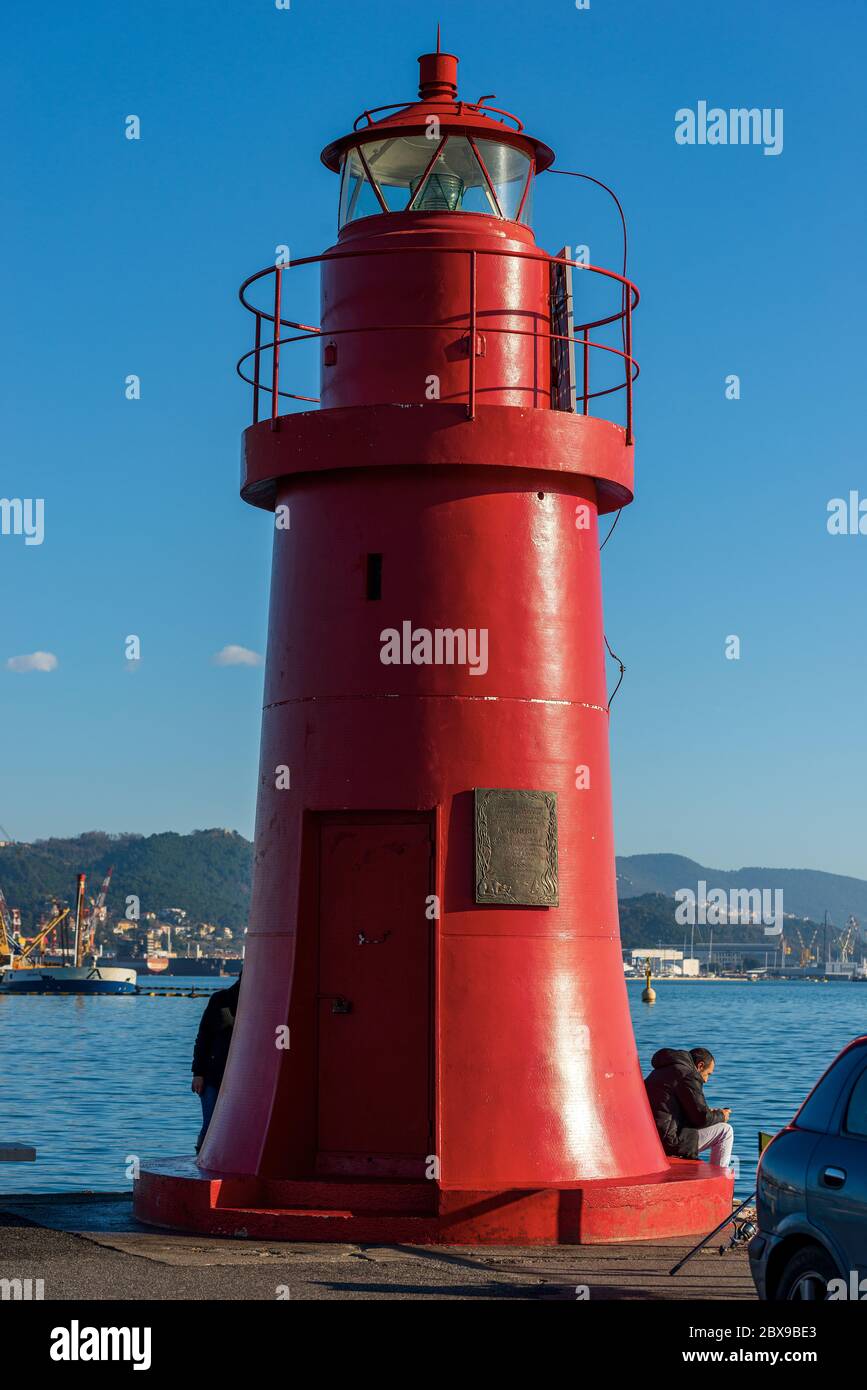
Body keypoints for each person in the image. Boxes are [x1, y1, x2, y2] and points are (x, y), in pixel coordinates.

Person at [644, 1046, 734, 1169]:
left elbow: (671, 1109)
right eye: (708, 1074)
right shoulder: (688, 1075)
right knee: (725, 1131)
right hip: (669, 1141)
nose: (706, 1080)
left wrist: (709, 1113)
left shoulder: (661, 1070)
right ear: (700, 1066)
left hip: (649, 1135)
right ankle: (719, 1175)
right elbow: (701, 1119)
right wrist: (721, 1115)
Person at [191, 975, 241, 1153]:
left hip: (241, 1078)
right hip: (212, 1074)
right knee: (211, 1123)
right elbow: (203, 1038)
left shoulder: (260, 1004)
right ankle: (203, 1157)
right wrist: (198, 1073)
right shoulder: (220, 1000)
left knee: (234, 1124)